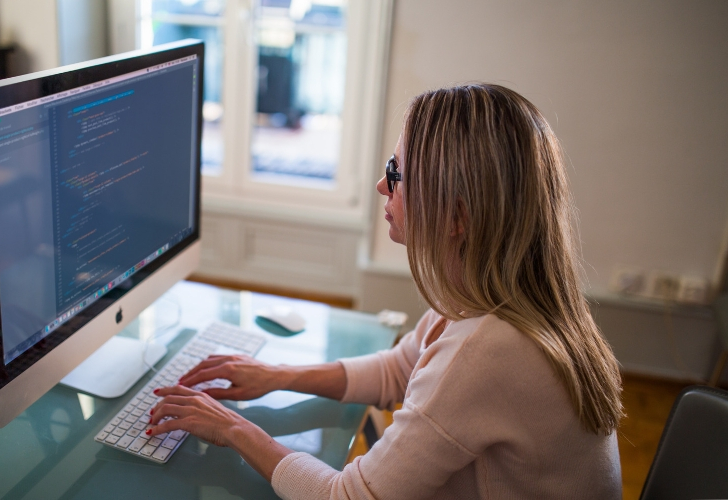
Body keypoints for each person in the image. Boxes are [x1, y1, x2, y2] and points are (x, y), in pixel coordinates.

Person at [147, 84, 624, 499]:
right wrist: (277, 375)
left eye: (396, 174)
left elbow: (346, 497)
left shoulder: (488, 349)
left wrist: (232, 427)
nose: (381, 185)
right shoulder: (505, 294)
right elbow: (400, 367)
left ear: (457, 217)